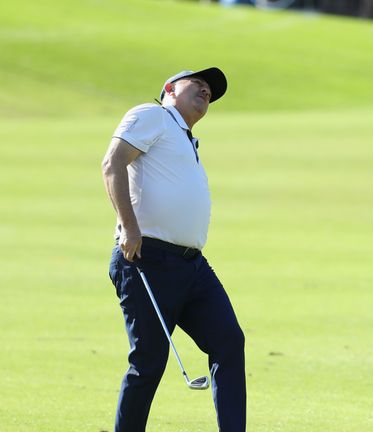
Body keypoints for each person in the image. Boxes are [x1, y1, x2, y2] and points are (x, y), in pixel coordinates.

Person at [101, 67, 246, 432]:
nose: (206, 90)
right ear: (169, 89)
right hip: (146, 259)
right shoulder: (153, 115)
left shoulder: (186, 139)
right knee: (149, 362)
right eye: (196, 83)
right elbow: (112, 163)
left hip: (193, 267)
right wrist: (129, 228)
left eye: (210, 91)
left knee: (229, 342)